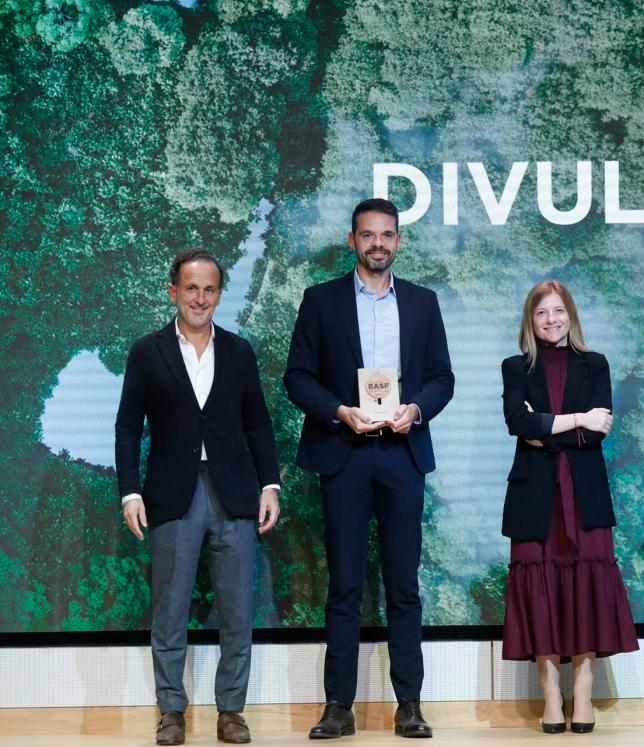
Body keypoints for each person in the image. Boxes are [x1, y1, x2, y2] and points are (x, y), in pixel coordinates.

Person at [284, 197, 454, 740]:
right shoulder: (320, 300)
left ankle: (410, 705)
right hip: (345, 452)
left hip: (403, 454)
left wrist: (415, 409)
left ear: (398, 241)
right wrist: (339, 411)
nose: (377, 243)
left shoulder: (424, 303)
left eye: (387, 235)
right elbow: (298, 377)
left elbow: (442, 378)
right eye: (367, 235)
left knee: (404, 585)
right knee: (345, 586)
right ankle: (338, 707)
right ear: (352, 240)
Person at [115, 248, 281, 746]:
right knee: (169, 611)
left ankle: (231, 711)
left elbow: (258, 422)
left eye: (209, 289)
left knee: (236, 611)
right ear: (173, 292)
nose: (200, 298)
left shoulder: (239, 351)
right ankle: (171, 712)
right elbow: (127, 428)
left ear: (219, 295)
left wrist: (269, 485)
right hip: (172, 495)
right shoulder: (147, 351)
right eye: (191, 288)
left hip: (235, 495)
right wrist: (130, 492)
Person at [499, 280, 639, 735]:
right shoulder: (514, 367)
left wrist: (545, 429)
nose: (551, 320)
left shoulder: (594, 364)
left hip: (584, 493)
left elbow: (599, 433)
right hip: (534, 494)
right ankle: (551, 696)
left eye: (558, 311)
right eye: (542, 313)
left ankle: (582, 695)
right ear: (530, 320)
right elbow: (519, 424)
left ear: (571, 315)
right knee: (537, 588)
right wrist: (577, 418)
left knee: (586, 590)